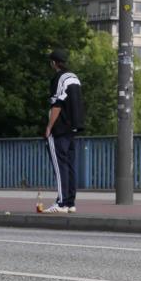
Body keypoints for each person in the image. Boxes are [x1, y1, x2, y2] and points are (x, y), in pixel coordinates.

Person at [43, 49, 85, 214]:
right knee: (69, 166)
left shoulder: (58, 79)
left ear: (54, 63)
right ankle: (70, 202)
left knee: (60, 166)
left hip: (60, 128)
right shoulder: (74, 78)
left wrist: (49, 127)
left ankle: (61, 203)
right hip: (73, 127)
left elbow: (57, 104)